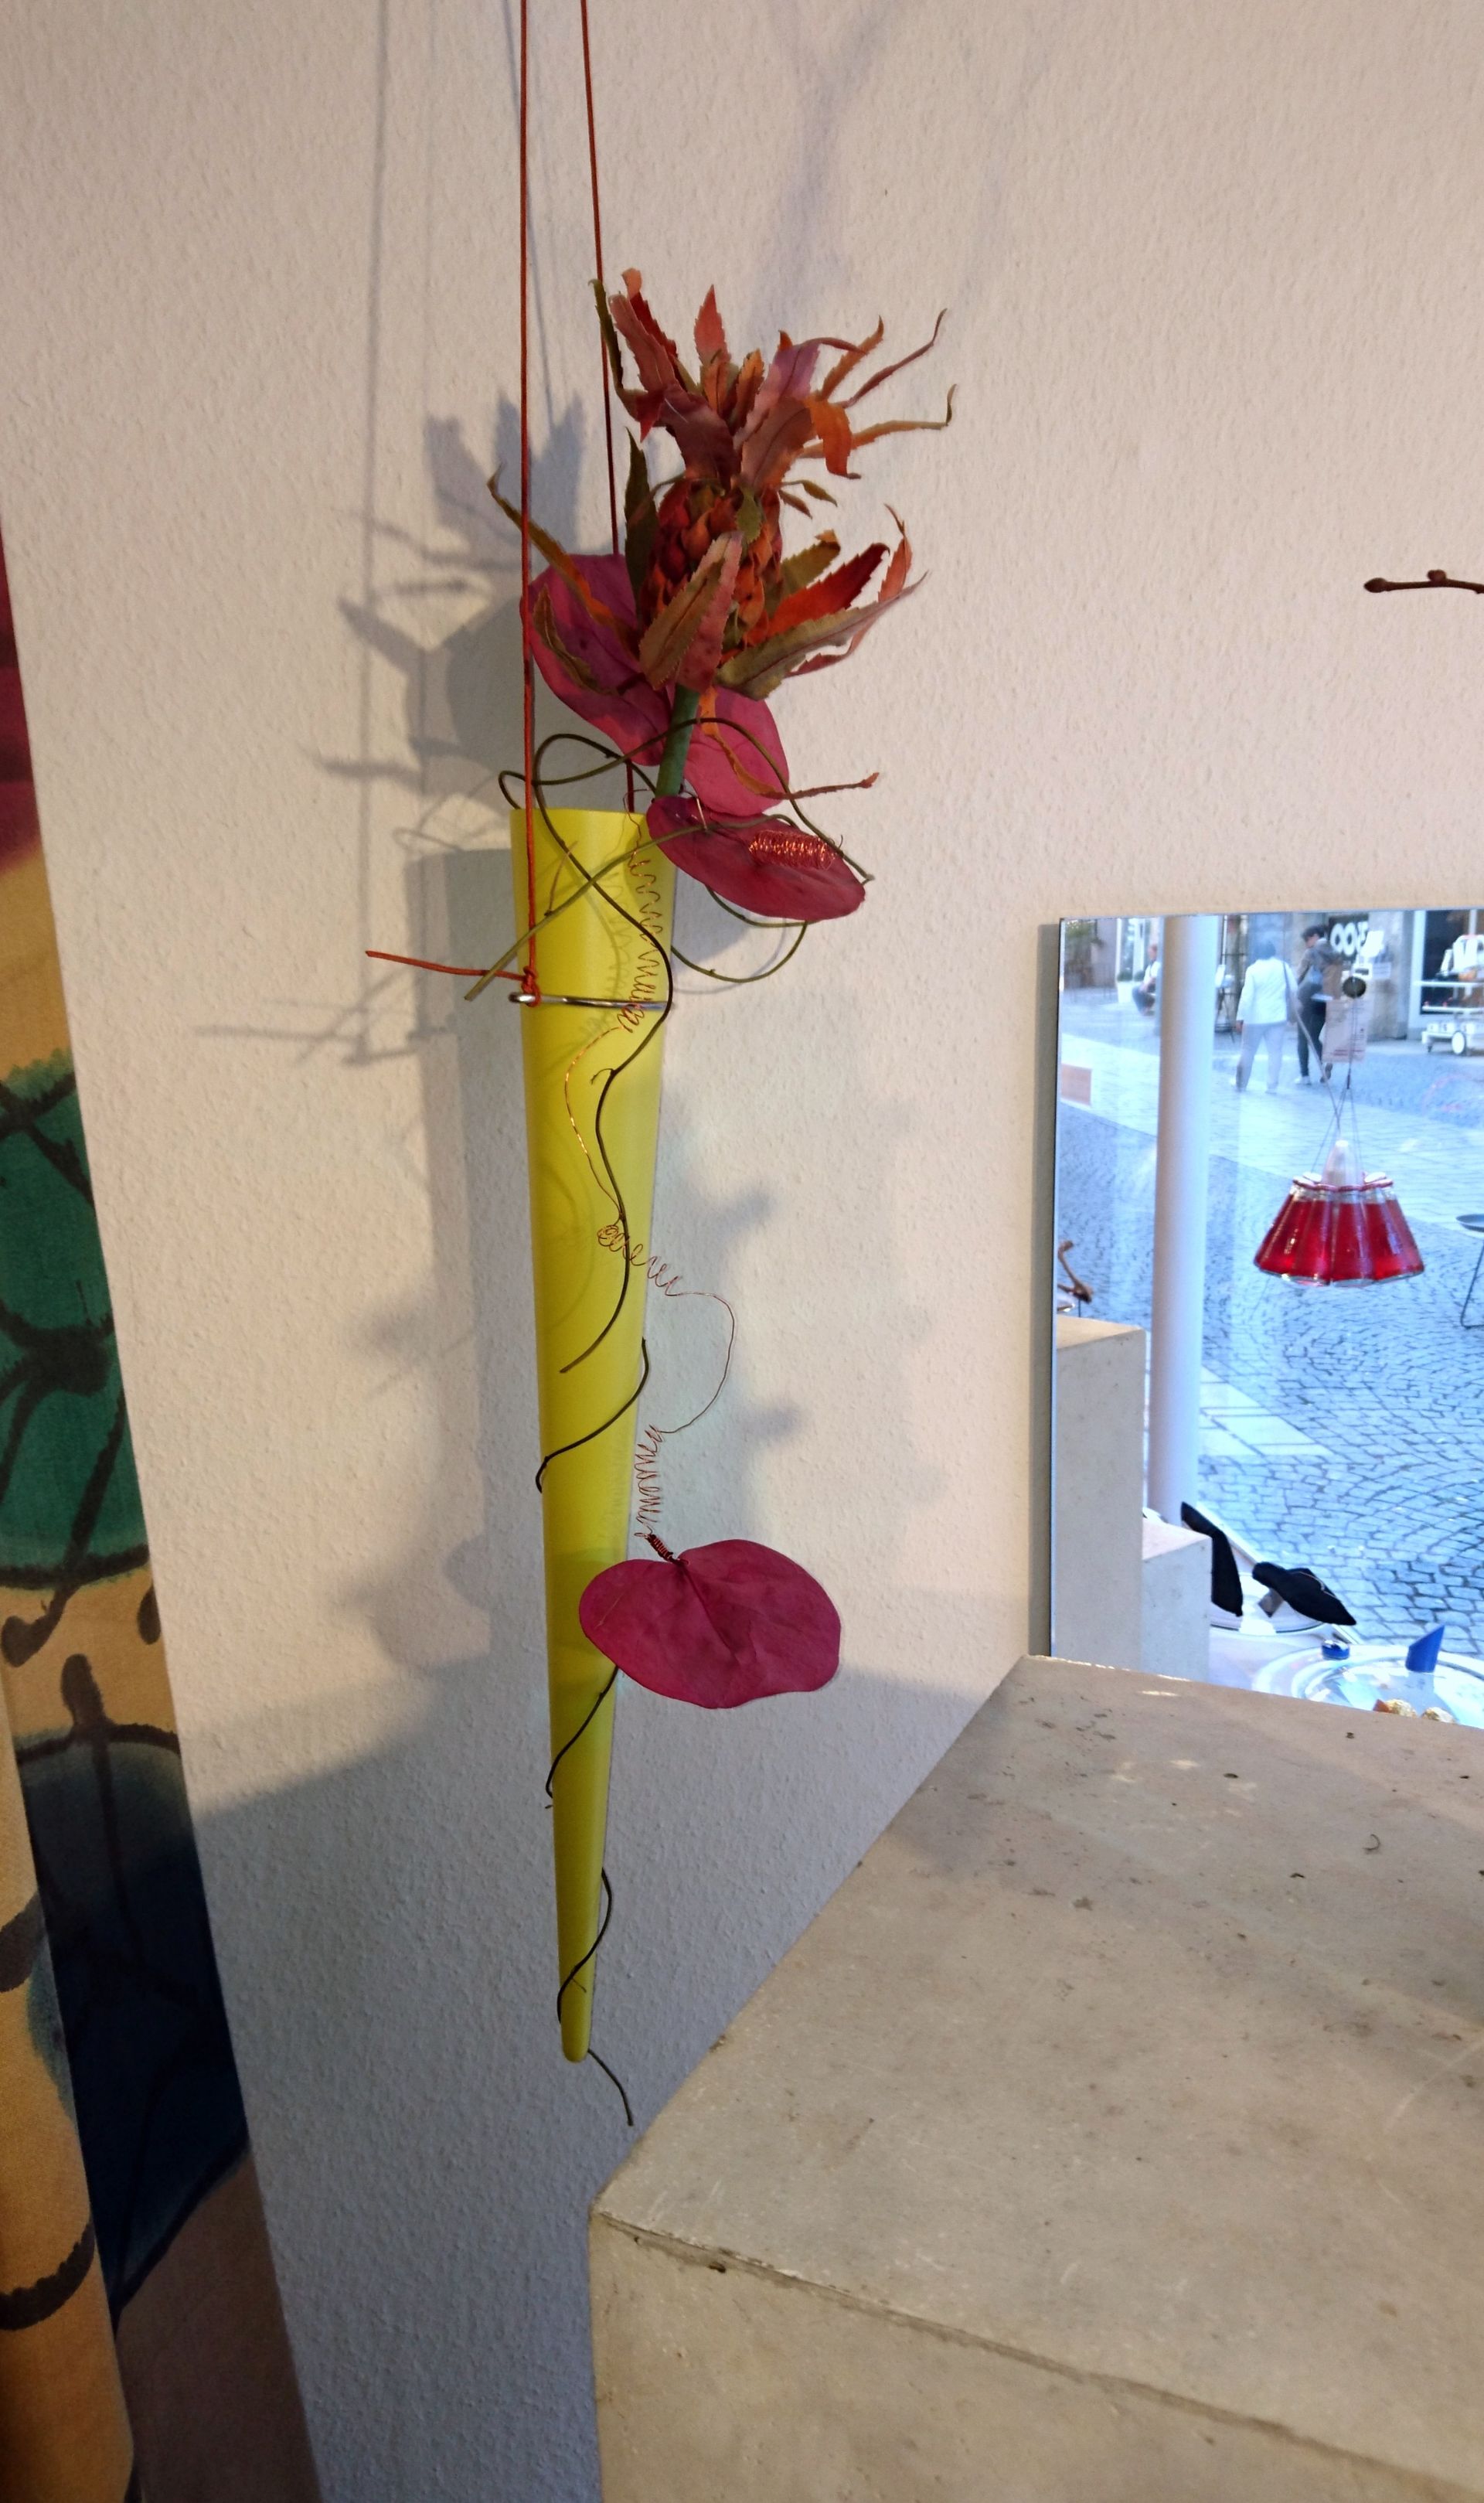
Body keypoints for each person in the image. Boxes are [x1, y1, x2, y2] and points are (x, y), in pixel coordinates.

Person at [1234, 939, 1297, 1091]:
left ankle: (1242, 1083)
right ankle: (1272, 1085)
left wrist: (1240, 1017)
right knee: (1275, 1052)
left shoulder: (1253, 970)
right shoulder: (1283, 967)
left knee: (1248, 1050)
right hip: (1277, 1016)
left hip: (1255, 1018)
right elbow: (1294, 988)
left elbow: (1247, 997)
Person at [1295, 922, 1330, 1084]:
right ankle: (1325, 1062)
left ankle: (1305, 1076)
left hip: (1309, 999)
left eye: (1307, 940)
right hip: (1326, 1001)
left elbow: (1300, 975)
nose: (1306, 944)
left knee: (1303, 1037)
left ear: (1315, 937)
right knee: (1314, 1036)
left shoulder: (1311, 953)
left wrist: (1295, 994)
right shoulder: (1333, 952)